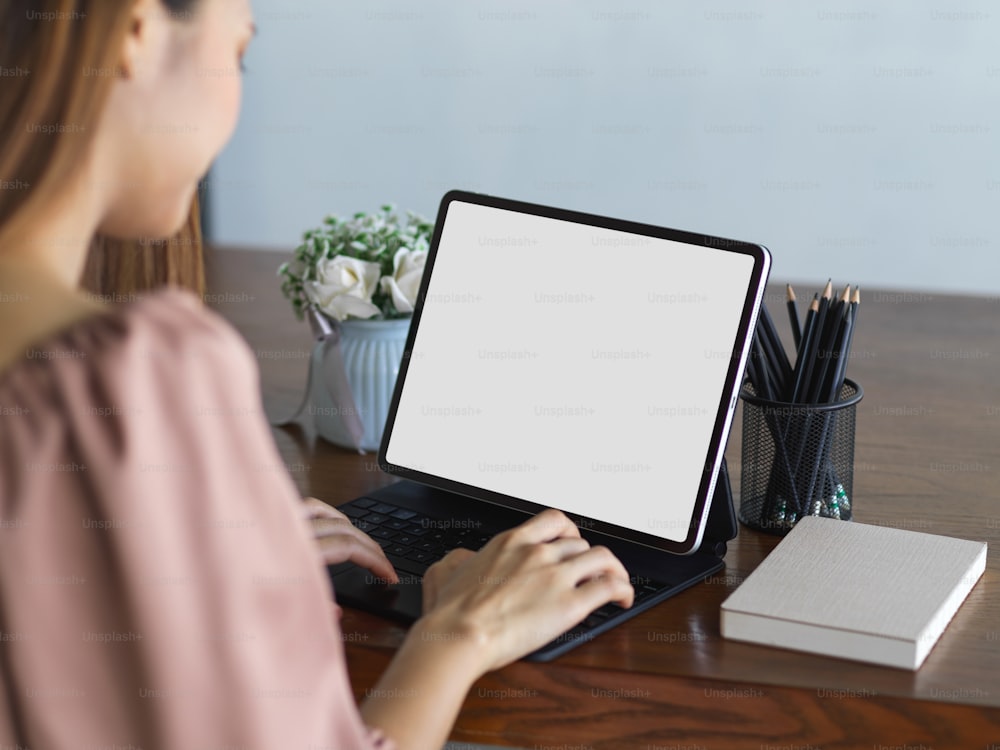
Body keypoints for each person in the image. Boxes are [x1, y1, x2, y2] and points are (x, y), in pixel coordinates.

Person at [0, 2, 635, 748]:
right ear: (137, 31)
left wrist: (195, 544)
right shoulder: (136, 379)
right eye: (237, 52)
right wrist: (459, 634)